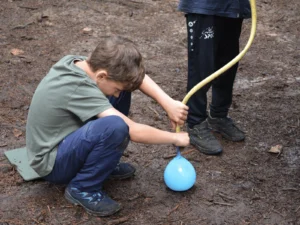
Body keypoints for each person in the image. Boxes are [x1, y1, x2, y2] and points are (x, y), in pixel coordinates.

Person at [26, 36, 190, 217]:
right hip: (52, 164)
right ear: (102, 76)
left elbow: (134, 78)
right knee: (115, 126)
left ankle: (101, 164)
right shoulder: (79, 87)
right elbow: (133, 131)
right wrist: (174, 137)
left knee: (123, 90)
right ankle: (83, 188)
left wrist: (167, 103)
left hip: (65, 141)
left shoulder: (85, 65)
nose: (117, 93)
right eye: (116, 87)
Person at [177, 0, 251, 155]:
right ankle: (195, 123)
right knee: (202, 65)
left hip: (233, 7)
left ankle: (218, 115)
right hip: (204, 7)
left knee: (228, 64)